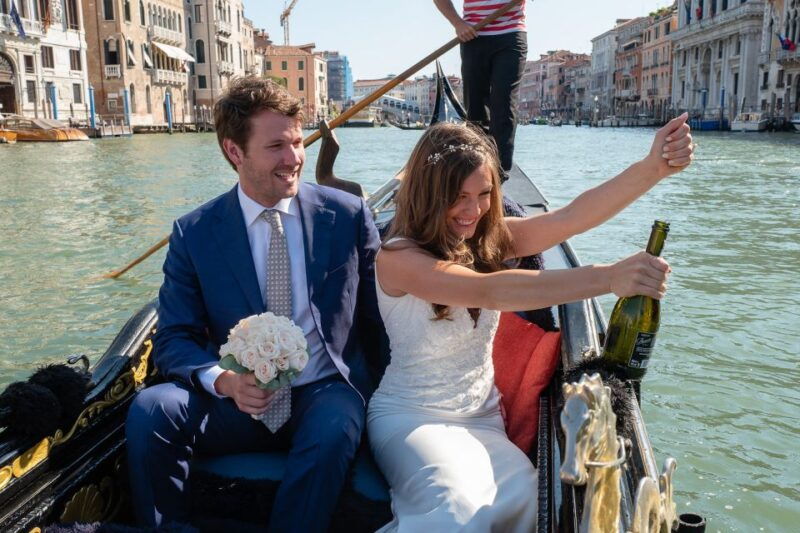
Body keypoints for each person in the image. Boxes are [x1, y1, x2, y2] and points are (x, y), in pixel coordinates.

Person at [367, 113, 693, 530]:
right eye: (459, 197)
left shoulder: (485, 236)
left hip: (483, 419)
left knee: (530, 507)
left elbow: (570, 218)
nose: (473, 210)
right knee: (456, 514)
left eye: (484, 194)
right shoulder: (398, 257)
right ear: (430, 194)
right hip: (412, 418)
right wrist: (609, 278)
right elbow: (492, 291)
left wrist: (653, 169)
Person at [125, 77, 385, 532]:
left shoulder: (348, 215)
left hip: (322, 391)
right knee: (152, 409)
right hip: (234, 405)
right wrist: (224, 381)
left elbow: (380, 317)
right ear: (234, 152)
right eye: (276, 147)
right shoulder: (194, 232)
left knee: (335, 426)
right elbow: (174, 339)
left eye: (297, 142)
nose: (295, 158)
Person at [434, 0, 528, 175]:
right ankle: (474, 167)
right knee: (475, 108)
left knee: (504, 105)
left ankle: (499, 172)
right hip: (472, 35)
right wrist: (458, 24)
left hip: (511, 34)